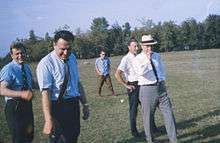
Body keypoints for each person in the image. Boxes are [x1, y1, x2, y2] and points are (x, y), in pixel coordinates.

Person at [36, 30, 89, 143]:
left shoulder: (72, 58)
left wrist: (85, 104)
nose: (66, 52)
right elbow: (45, 93)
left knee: (73, 137)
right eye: (62, 49)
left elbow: (77, 83)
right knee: (60, 140)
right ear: (54, 45)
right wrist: (48, 119)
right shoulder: (45, 64)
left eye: (69, 49)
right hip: (57, 107)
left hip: (73, 105)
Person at [132, 35, 177, 143]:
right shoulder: (137, 59)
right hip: (147, 90)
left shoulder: (157, 55)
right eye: (147, 46)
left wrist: (162, 81)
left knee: (169, 114)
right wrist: (147, 60)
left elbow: (161, 69)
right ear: (142, 46)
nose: (150, 48)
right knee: (147, 118)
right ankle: (150, 140)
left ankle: (174, 140)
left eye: (151, 46)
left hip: (161, 88)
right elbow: (140, 72)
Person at [115, 38, 158, 138]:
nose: (136, 48)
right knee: (133, 110)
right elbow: (117, 74)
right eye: (134, 46)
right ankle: (134, 132)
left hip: (142, 84)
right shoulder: (126, 59)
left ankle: (153, 127)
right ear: (129, 47)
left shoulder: (139, 56)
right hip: (133, 86)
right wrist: (126, 84)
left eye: (137, 46)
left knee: (148, 108)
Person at [0, 43, 34, 143]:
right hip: (15, 107)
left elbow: (31, 83)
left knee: (29, 136)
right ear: (12, 55)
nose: (20, 55)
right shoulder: (8, 69)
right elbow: (2, 90)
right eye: (17, 54)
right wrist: (21, 94)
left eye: (22, 53)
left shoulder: (26, 67)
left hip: (27, 106)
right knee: (19, 138)